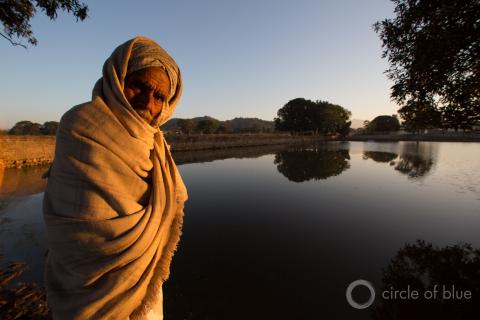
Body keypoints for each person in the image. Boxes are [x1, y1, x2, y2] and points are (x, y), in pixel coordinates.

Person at [43, 36, 188, 319]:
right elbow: (79, 231)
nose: (149, 102)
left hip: (145, 282)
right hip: (85, 289)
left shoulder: (156, 142)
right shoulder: (81, 124)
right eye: (140, 86)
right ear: (118, 79)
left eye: (160, 96)